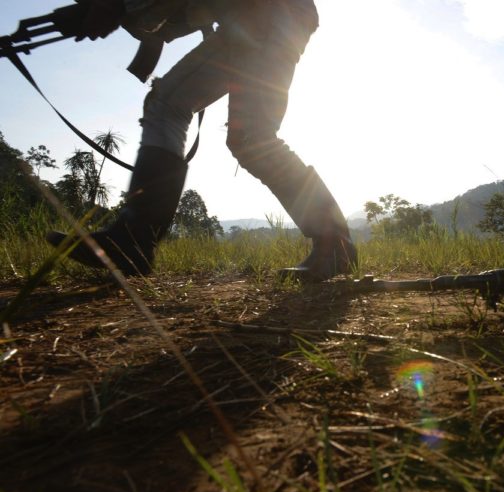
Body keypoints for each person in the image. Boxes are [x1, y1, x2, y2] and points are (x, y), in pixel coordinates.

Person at [46, 0, 358, 282]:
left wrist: (117, 7)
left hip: (270, 13)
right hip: (249, 18)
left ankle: (335, 245)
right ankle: (133, 241)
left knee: (253, 137)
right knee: (168, 104)